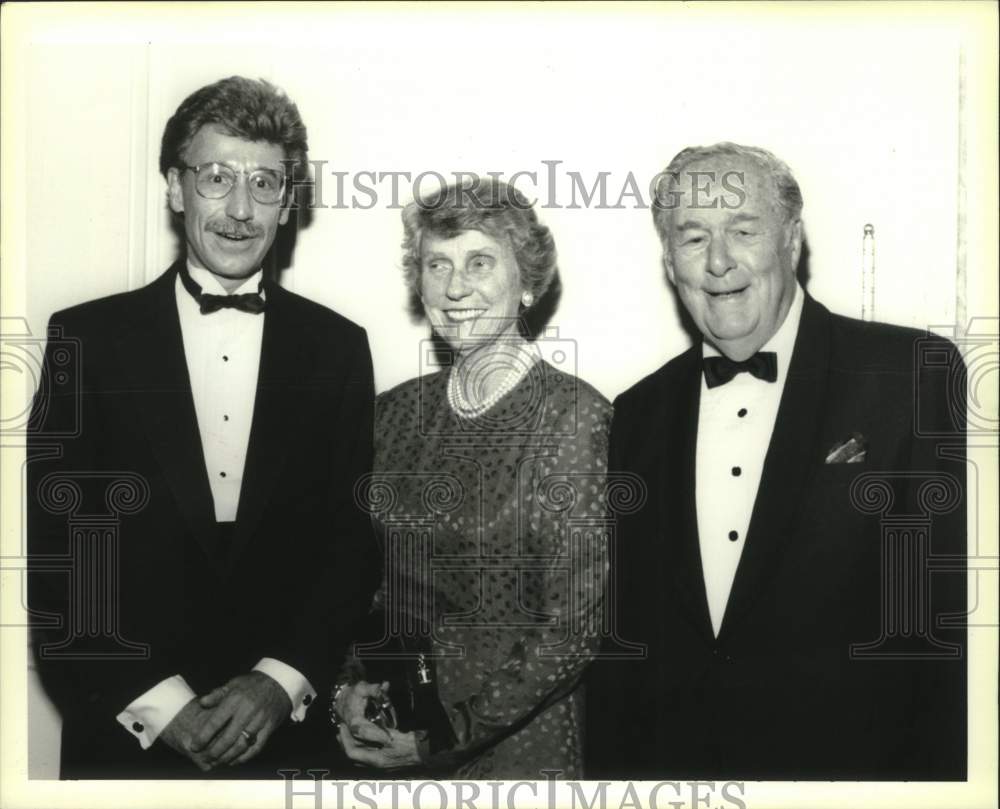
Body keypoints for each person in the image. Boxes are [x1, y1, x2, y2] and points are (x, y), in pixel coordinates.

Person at [26, 76, 379, 778]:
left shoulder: (338, 348)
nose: (241, 210)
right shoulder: (86, 339)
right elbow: (60, 553)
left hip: (285, 745)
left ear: (289, 203)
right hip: (123, 740)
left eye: (266, 183)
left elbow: (350, 545)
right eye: (217, 177)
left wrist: (279, 682)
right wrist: (159, 704)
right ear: (175, 188)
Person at [585, 142, 967, 780]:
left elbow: (949, 631)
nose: (718, 261)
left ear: (790, 243)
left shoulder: (908, 376)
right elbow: (628, 649)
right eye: (692, 236)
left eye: (742, 229)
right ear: (668, 259)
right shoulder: (637, 413)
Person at [331, 178, 611, 779]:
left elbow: (574, 628)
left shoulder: (575, 417)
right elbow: (375, 584)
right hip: (395, 731)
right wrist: (353, 686)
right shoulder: (395, 412)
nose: (456, 288)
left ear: (528, 282)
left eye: (480, 262)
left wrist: (446, 735)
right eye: (438, 264)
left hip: (519, 748)